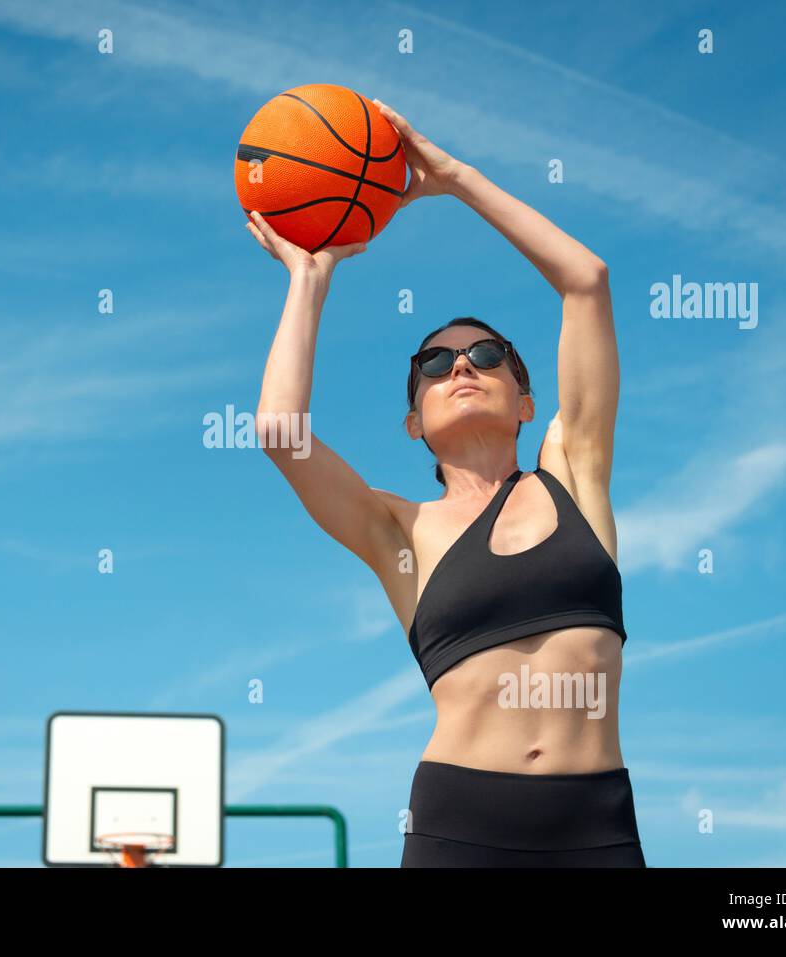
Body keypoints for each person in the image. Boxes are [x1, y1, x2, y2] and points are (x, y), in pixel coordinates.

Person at [245, 99, 645, 867]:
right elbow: (279, 432)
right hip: (460, 826)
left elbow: (586, 280)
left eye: (488, 355)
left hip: (597, 825)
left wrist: (456, 178)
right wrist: (309, 276)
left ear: (528, 403)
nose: (461, 365)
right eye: (434, 364)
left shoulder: (575, 469)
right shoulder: (401, 532)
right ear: (413, 422)